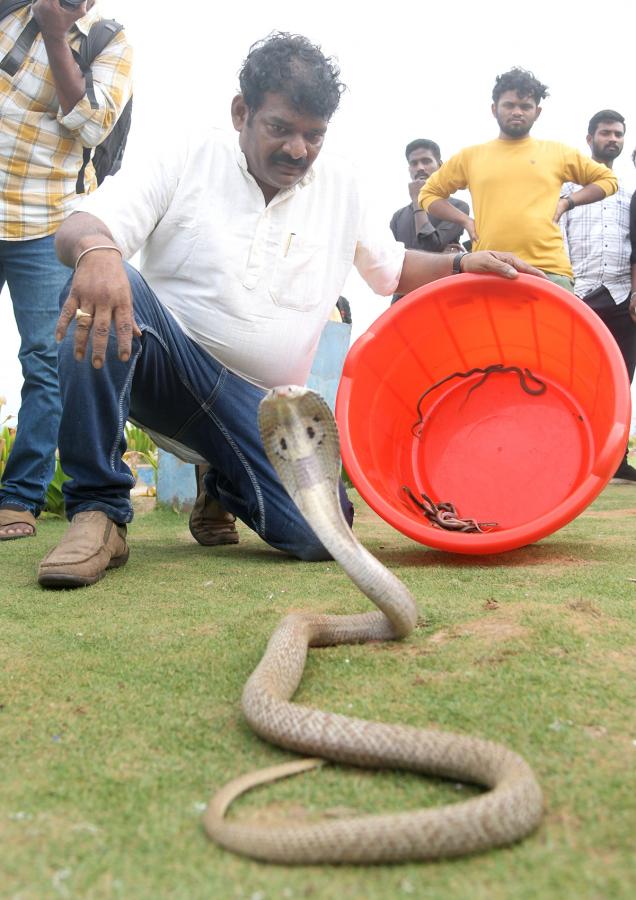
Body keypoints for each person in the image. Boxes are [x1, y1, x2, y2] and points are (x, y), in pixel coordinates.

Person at [37, 32, 543, 589]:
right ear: (241, 113)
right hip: (166, 366)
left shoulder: (343, 185)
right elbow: (82, 225)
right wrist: (98, 251)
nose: (298, 150)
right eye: (280, 128)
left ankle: (221, 482)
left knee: (322, 536)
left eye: (314, 135)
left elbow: (391, 270)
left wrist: (462, 266)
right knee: (101, 276)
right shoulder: (185, 153)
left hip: (262, 410)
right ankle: (98, 512)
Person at [0, 0, 133, 540]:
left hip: (47, 224)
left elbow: (93, 126)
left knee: (46, 360)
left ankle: (18, 498)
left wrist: (57, 37)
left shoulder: (109, 40)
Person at [418, 68, 618, 291]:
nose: (517, 112)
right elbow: (428, 194)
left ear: (537, 112)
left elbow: (607, 180)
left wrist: (566, 202)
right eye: (509, 105)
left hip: (549, 272)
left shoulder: (558, 152)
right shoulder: (470, 156)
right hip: (489, 269)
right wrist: (465, 220)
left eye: (525, 106)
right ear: (494, 109)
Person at [561, 110, 636, 484]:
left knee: (621, 378)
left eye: (619, 134)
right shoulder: (568, 191)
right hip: (581, 295)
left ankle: (616, 460)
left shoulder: (628, 193)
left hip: (623, 296)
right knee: (576, 378)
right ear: (589, 138)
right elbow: (558, 239)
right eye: (605, 133)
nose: (613, 139)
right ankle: (575, 457)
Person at [389, 139, 469, 303]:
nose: (420, 168)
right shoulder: (398, 217)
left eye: (426, 161)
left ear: (440, 165)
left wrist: (418, 201)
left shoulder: (457, 208)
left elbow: (429, 245)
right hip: (404, 301)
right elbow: (393, 261)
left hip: (441, 295)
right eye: (414, 163)